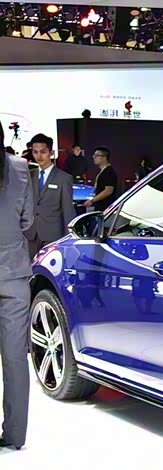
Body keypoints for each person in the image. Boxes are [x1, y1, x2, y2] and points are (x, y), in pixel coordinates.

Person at [0, 122, 35, 451]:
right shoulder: (22, 168)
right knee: (14, 358)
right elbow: (27, 221)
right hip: (13, 272)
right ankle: (14, 435)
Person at [24, 133, 76, 260]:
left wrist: (68, 239)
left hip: (53, 236)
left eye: (43, 152)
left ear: (51, 153)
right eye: (35, 152)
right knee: (30, 268)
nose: (39, 156)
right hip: (31, 234)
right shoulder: (29, 176)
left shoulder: (64, 178)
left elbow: (68, 210)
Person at [84, 146, 118, 212]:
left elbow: (108, 191)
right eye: (94, 155)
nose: (94, 157)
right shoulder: (103, 171)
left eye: (97, 155)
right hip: (100, 206)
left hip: (105, 208)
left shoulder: (109, 172)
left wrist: (92, 200)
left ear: (105, 157)